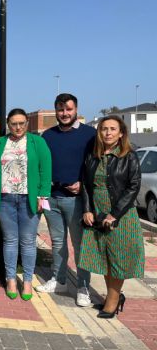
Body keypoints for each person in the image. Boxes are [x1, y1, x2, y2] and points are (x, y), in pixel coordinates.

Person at [80, 115, 143, 318]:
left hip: (120, 215)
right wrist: (87, 209)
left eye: (112, 129)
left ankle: (113, 301)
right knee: (104, 258)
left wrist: (114, 214)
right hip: (97, 212)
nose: (108, 132)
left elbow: (133, 187)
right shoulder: (92, 155)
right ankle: (112, 296)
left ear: (121, 133)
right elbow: (86, 185)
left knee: (117, 259)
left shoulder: (129, 156)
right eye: (104, 129)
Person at [36, 94, 96, 307]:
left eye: (68, 109)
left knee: (80, 246)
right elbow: (40, 165)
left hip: (77, 200)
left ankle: (83, 287)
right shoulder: (48, 135)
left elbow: (96, 165)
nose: (64, 114)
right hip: (52, 198)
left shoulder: (90, 134)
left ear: (76, 109)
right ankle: (59, 280)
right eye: (60, 110)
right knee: (58, 243)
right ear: (56, 111)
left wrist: (83, 183)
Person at [0, 108, 52, 300]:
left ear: (27, 124)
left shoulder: (37, 142)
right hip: (6, 199)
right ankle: (10, 279)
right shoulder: (0, 143)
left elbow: (45, 169)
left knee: (27, 241)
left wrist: (43, 196)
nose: (18, 127)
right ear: (8, 125)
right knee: (9, 241)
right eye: (14, 124)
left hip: (29, 199)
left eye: (21, 123)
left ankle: (26, 281)